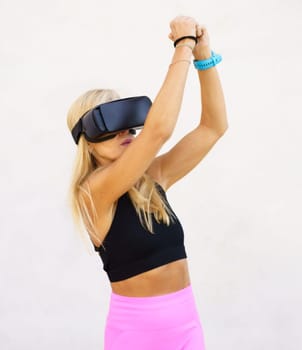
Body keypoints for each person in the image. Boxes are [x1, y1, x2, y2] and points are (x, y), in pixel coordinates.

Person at [66, 15, 227, 350]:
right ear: (89, 139)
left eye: (130, 126)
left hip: (186, 324)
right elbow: (158, 131)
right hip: (138, 335)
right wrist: (182, 46)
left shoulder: (154, 177)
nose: (126, 133)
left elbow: (213, 127)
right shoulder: (94, 192)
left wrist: (204, 56)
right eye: (112, 126)